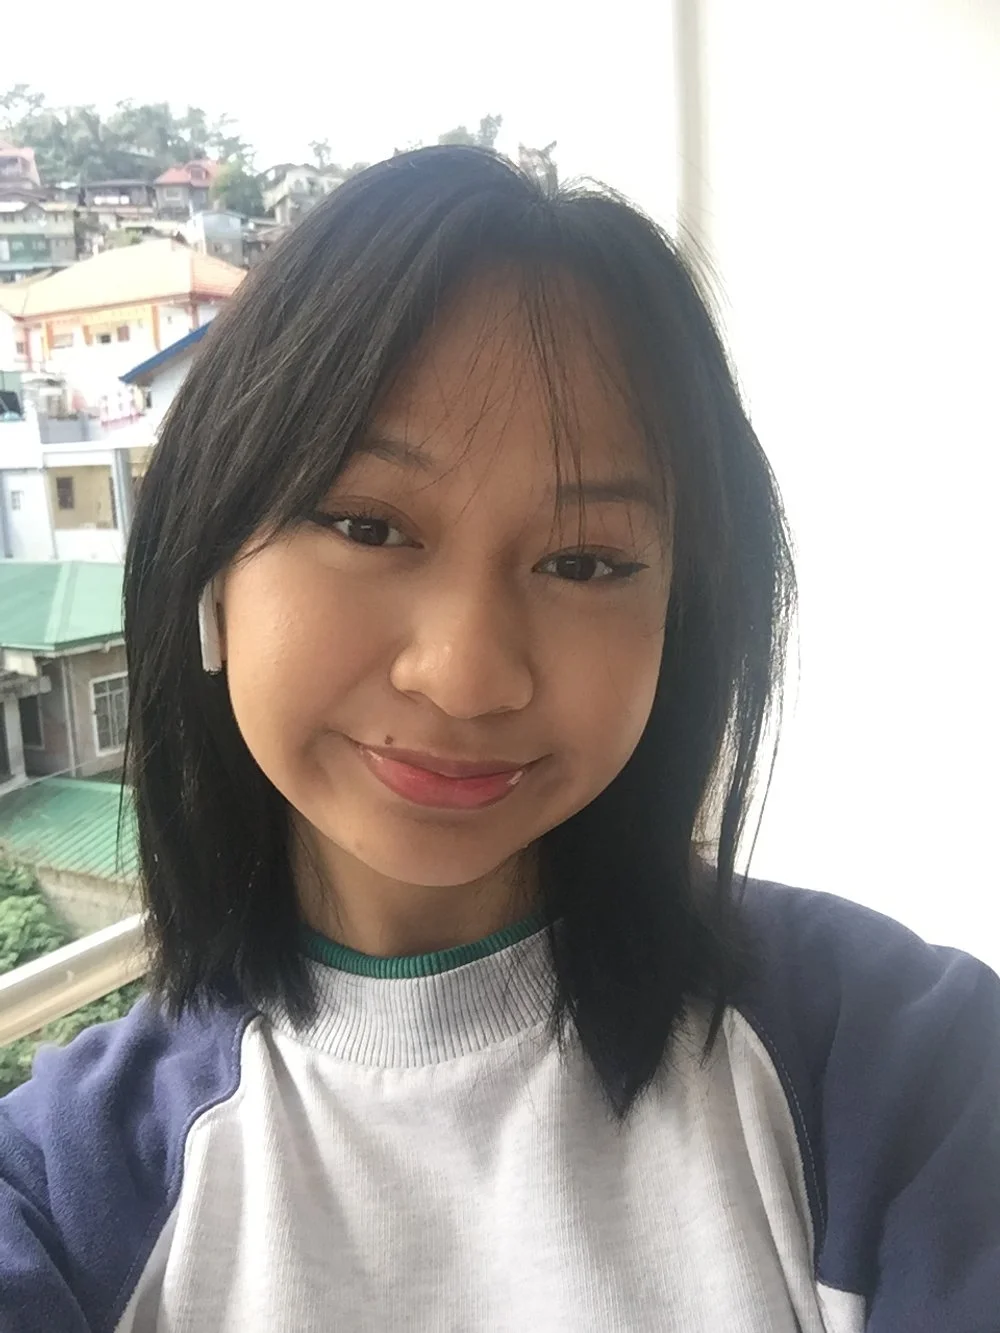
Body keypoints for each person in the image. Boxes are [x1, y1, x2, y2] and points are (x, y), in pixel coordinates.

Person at [0, 146, 997, 1333]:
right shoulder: (67, 1193)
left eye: (585, 562)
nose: (468, 675)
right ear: (211, 561)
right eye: (368, 525)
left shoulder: (901, 1066)